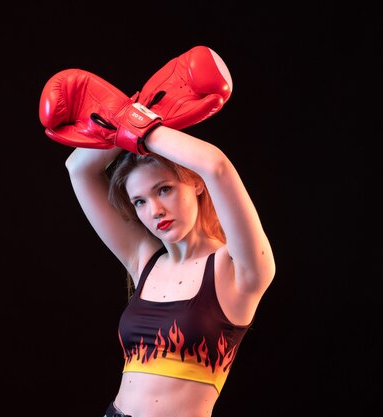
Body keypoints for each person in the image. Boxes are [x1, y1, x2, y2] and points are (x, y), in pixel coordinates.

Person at [39, 46, 276, 417]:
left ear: (194, 184)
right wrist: (132, 114)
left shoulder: (241, 269)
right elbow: (77, 168)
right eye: (140, 202)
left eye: (164, 189)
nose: (155, 211)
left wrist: (143, 125)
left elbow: (216, 166)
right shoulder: (144, 263)